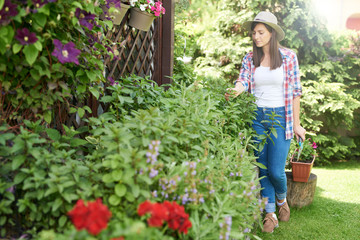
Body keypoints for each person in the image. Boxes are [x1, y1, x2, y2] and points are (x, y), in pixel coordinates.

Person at [225, 11, 306, 233]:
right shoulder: (250, 59)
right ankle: (270, 213)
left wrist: (297, 124)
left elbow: (296, 93)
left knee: (276, 171)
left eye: (261, 32)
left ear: (271, 33)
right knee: (262, 169)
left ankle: (281, 200)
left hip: (281, 117)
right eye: (254, 33)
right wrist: (236, 90)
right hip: (258, 118)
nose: (256, 37)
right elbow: (243, 80)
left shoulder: (289, 57)